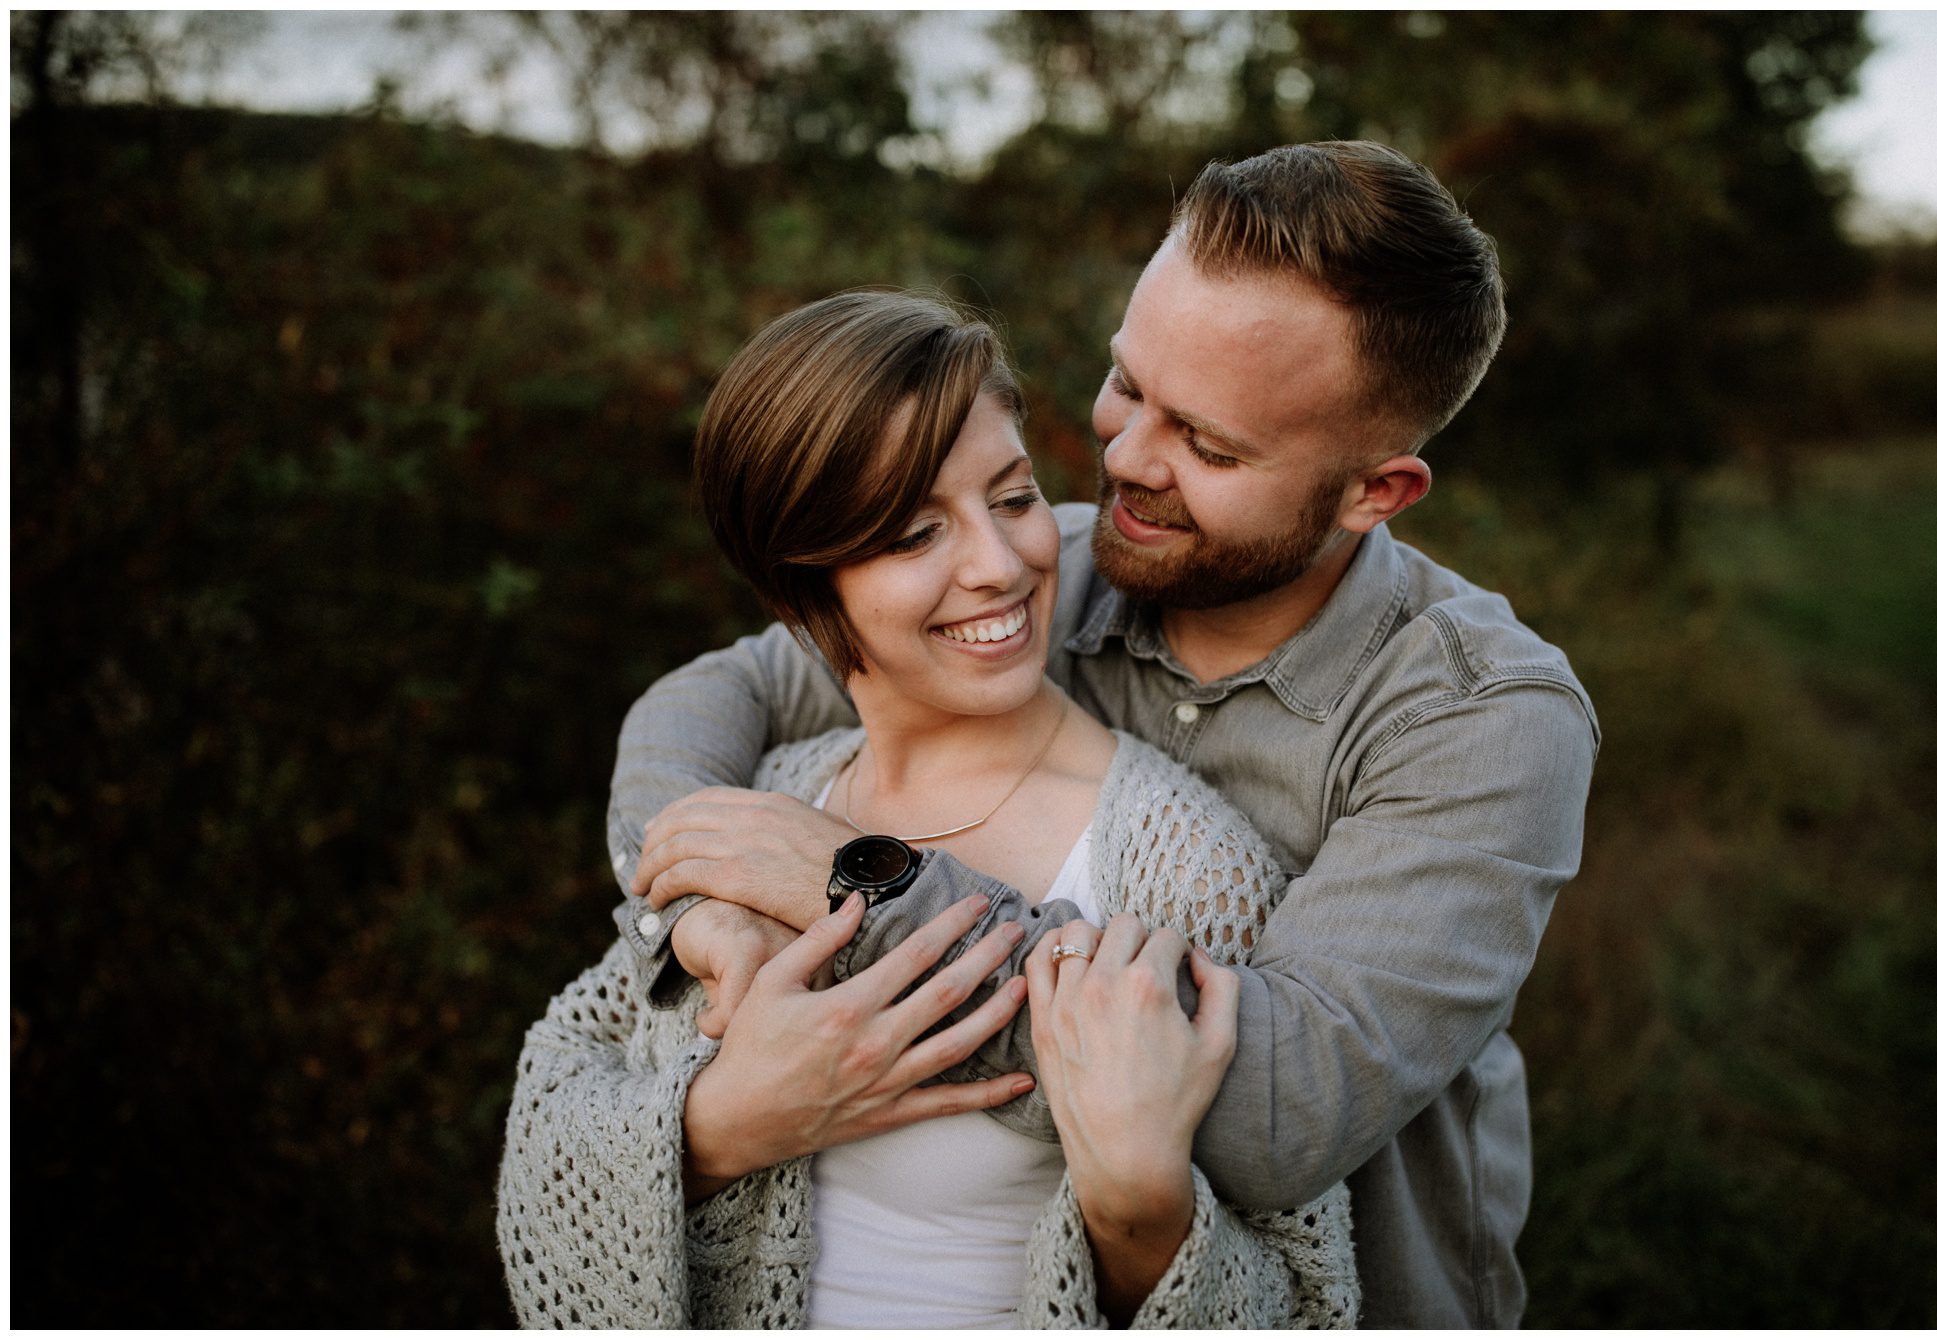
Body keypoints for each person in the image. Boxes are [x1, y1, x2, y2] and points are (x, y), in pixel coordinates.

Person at [612, 140, 1600, 1328]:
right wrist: (702, 904)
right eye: (1128, 383)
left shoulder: (1480, 719)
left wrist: (860, 895)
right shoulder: (1049, 566)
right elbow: (713, 699)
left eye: (1208, 445)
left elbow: (1272, 1113)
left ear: (1371, 493)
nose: (1124, 459)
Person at [498, 291, 1359, 1328]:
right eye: (913, 533)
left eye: (1011, 497)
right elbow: (554, 1110)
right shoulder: (769, 799)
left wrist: (1145, 1212)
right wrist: (717, 1129)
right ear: (801, 583)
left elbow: (1299, 1303)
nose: (998, 564)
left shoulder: (1182, 868)